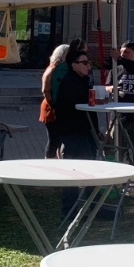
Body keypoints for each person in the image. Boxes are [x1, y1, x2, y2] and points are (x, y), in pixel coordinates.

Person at [52, 47, 100, 217]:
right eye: (84, 63)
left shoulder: (82, 80)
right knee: (76, 170)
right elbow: (79, 104)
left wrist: (96, 130)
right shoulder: (70, 82)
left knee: (89, 169)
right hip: (73, 132)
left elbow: (89, 109)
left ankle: (94, 207)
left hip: (84, 131)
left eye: (89, 63)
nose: (88, 66)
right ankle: (69, 210)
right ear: (74, 65)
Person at [40, 42, 72, 160]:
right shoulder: (52, 69)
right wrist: (52, 104)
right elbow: (45, 90)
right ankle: (49, 161)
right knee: (54, 139)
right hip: (51, 107)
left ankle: (58, 160)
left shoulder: (64, 68)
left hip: (60, 107)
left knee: (59, 138)